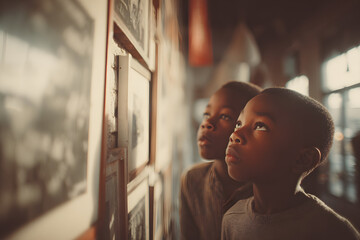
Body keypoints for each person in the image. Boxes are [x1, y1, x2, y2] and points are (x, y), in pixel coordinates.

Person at [222, 88, 360, 240]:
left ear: (303, 159)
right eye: (238, 123)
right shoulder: (231, 219)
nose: (235, 135)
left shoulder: (335, 232)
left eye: (260, 126)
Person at [180, 81, 262, 240]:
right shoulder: (192, 180)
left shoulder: (266, 189)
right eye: (206, 114)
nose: (207, 124)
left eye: (225, 116)